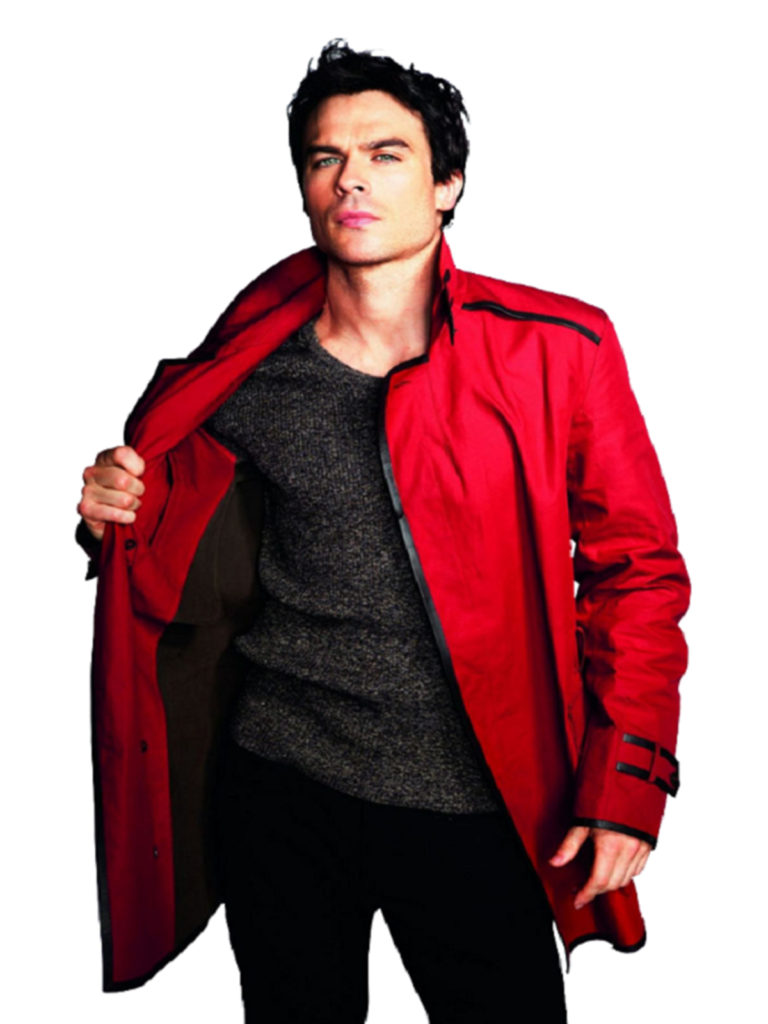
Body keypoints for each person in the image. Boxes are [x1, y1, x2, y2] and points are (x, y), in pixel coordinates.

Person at [76, 40, 690, 1023]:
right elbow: (174, 527)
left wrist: (628, 782)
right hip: (279, 785)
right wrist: (113, 510)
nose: (351, 177)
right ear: (304, 187)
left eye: (386, 154)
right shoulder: (250, 360)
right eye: (326, 157)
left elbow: (639, 574)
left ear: (448, 185)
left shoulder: (559, 350)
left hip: (477, 802)